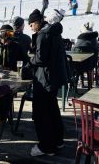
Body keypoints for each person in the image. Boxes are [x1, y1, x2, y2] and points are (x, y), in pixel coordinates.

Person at [29, 8, 68, 157]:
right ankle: (58, 141)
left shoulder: (43, 34)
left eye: (31, 24)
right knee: (52, 111)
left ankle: (46, 147)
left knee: (41, 114)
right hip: (54, 78)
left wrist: (30, 60)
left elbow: (40, 59)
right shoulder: (54, 32)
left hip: (45, 79)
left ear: (37, 23)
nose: (30, 27)